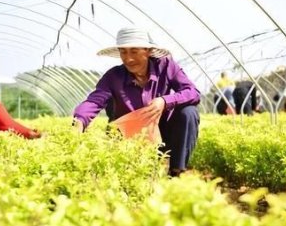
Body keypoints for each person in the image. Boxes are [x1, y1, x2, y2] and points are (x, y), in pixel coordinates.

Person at [72, 27, 200, 177]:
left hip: (164, 135)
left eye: (134, 51)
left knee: (189, 112)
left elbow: (193, 92)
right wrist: (79, 120)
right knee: (135, 176)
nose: (128, 59)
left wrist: (165, 101)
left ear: (147, 50)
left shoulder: (165, 66)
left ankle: (176, 172)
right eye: (123, 52)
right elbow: (94, 100)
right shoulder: (113, 76)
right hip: (130, 137)